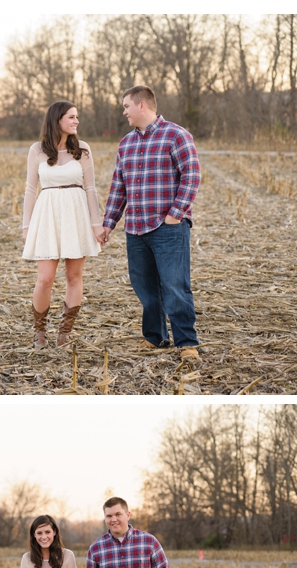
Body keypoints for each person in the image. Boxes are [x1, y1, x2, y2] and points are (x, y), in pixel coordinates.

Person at [100, 86, 202, 362]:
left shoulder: (176, 135)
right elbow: (118, 187)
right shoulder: (126, 143)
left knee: (175, 286)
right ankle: (155, 338)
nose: (124, 112)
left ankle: (186, 342)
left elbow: (191, 177)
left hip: (167, 227)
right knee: (145, 288)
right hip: (135, 228)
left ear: (142, 105)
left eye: (126, 106)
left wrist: (175, 215)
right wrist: (109, 223)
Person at [23, 101, 105, 348]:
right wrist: (26, 226)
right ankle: (40, 331)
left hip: (76, 213)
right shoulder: (37, 150)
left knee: (74, 276)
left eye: (77, 116)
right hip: (47, 213)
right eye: (71, 117)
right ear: (57, 119)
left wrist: (96, 223)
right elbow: (30, 189)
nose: (76, 121)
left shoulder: (83, 149)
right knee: (45, 278)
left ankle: (65, 332)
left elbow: (90, 188)